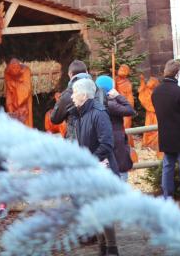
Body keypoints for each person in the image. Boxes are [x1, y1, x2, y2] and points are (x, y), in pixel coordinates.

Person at [71, 78, 120, 256]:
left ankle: (112, 249)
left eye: (75, 93)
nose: (72, 97)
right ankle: (102, 248)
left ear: (84, 95)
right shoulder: (80, 114)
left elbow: (107, 144)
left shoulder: (99, 113)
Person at [152, 59, 180, 208]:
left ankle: (167, 199)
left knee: (168, 166)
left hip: (165, 134)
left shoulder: (156, 92)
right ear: (177, 74)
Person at [96, 75, 135, 182]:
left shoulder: (94, 104)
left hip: (102, 142)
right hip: (116, 141)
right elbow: (130, 110)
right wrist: (118, 96)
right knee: (121, 172)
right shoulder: (110, 104)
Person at [50, 60, 94, 140]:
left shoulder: (68, 94)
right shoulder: (97, 90)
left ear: (70, 74)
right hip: (95, 140)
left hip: (75, 141)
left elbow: (55, 119)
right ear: (87, 72)